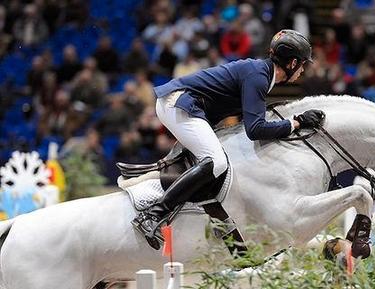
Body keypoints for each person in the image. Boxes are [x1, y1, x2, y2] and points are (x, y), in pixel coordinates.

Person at [132, 29, 325, 249]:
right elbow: (256, 129)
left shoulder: (261, 74)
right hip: (180, 103)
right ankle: (152, 216)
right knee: (216, 162)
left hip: (185, 104)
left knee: (218, 164)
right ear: (292, 63)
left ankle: (216, 222)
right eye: (302, 64)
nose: (302, 70)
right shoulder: (259, 76)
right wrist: (296, 123)